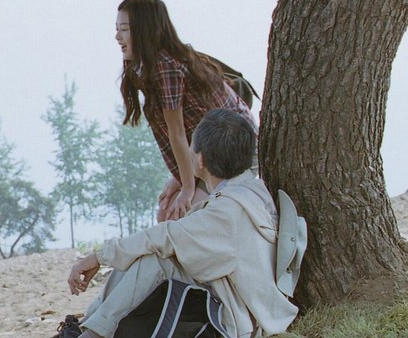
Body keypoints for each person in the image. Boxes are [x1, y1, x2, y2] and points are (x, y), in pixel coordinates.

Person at [66, 108, 298, 338]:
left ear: (200, 160)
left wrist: (99, 256)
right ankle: (89, 324)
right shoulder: (251, 191)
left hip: (239, 321)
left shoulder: (227, 212)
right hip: (240, 300)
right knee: (143, 251)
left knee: (153, 257)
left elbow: (167, 236)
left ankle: (93, 333)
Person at [115, 0, 257, 221]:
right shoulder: (146, 67)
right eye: (117, 29)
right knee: (165, 214)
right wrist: (181, 176)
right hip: (208, 151)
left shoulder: (166, 66)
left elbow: (178, 132)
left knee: (181, 217)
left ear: (145, 30)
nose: (117, 37)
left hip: (234, 148)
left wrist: (188, 187)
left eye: (124, 29)